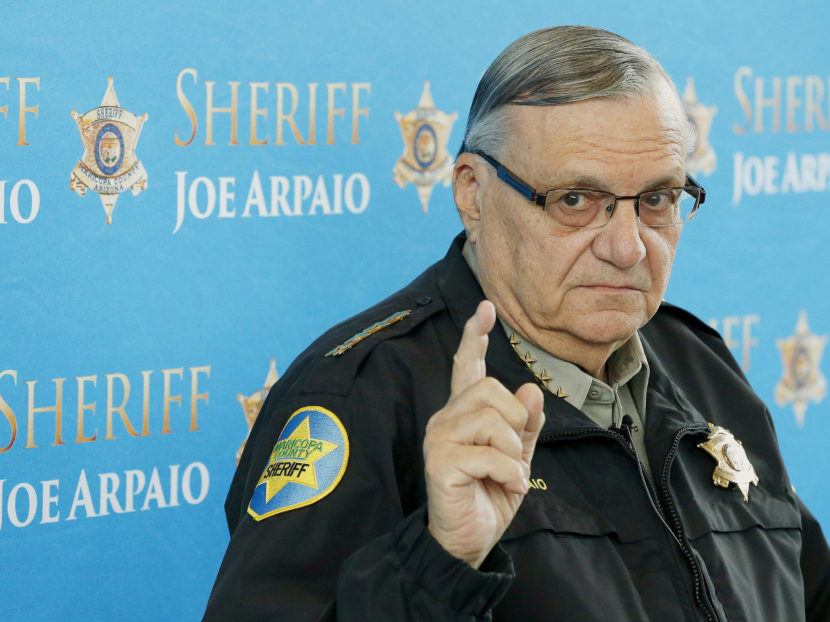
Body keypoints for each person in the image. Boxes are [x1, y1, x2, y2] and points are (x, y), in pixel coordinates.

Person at [203, 26, 830, 621]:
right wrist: (442, 559)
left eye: (657, 200)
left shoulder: (701, 363)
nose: (628, 247)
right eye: (575, 201)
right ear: (473, 193)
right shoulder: (359, 396)